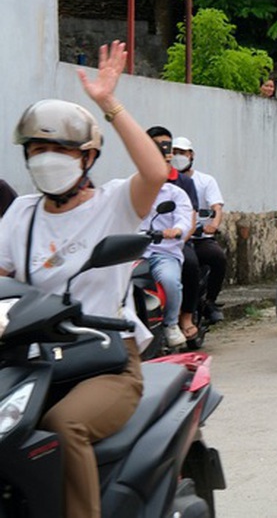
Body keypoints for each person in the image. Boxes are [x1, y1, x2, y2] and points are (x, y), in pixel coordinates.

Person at [0, 41, 166, 517]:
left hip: (107, 363)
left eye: (61, 148)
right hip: (30, 358)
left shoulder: (113, 204)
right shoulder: (20, 213)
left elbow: (155, 171)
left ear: (87, 157)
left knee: (63, 424)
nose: (47, 157)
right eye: (38, 148)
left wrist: (109, 103)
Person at [147, 126, 202, 336]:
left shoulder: (179, 187)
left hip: (170, 246)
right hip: (138, 250)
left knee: (188, 266)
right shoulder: (133, 186)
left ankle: (179, 319)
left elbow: (188, 217)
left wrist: (178, 234)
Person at [139, 140, 194, 348]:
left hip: (163, 252)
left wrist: (176, 231)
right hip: (134, 253)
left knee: (171, 281)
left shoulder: (175, 193)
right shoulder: (130, 190)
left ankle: (171, 324)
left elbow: (184, 219)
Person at [172, 136, 228, 325]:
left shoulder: (205, 181)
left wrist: (213, 225)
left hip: (199, 238)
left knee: (217, 258)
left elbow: (217, 207)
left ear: (191, 155)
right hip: (172, 240)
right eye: (175, 153)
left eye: (183, 153)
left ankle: (209, 301)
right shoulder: (163, 180)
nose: (179, 157)